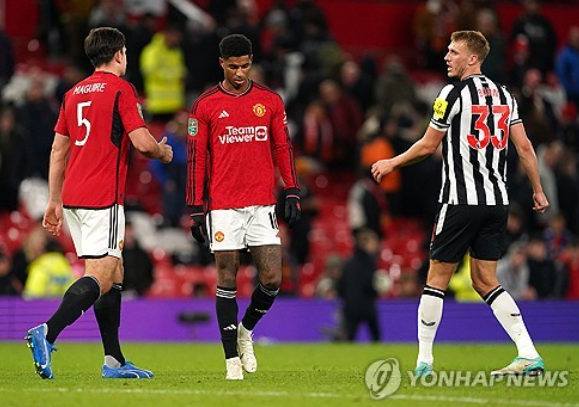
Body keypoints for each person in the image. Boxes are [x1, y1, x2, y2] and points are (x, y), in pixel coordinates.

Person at [371, 31, 549, 377]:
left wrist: (392, 162)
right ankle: (528, 353)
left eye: (454, 52)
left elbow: (427, 146)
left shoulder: (451, 93)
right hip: (497, 202)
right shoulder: (505, 95)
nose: (447, 57)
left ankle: (424, 362)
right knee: (485, 280)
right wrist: (538, 191)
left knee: (436, 278)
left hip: (460, 200)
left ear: (473, 58)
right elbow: (525, 148)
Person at [25, 27, 173, 380]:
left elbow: (58, 150)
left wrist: (54, 199)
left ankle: (114, 360)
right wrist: (163, 152)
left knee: (114, 272)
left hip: (74, 197)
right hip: (102, 196)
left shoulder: (72, 93)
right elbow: (142, 143)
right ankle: (47, 331)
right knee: (101, 275)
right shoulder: (121, 89)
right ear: (120, 53)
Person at [187, 34, 300, 380]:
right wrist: (195, 207)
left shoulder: (269, 101)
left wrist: (292, 189)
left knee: (272, 278)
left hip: (262, 204)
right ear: (221, 63)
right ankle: (230, 362)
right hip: (223, 206)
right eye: (233, 67)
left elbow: (283, 148)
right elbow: (196, 159)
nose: (239, 73)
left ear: (252, 62)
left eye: (245, 66)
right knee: (227, 277)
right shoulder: (205, 105)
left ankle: (246, 330)